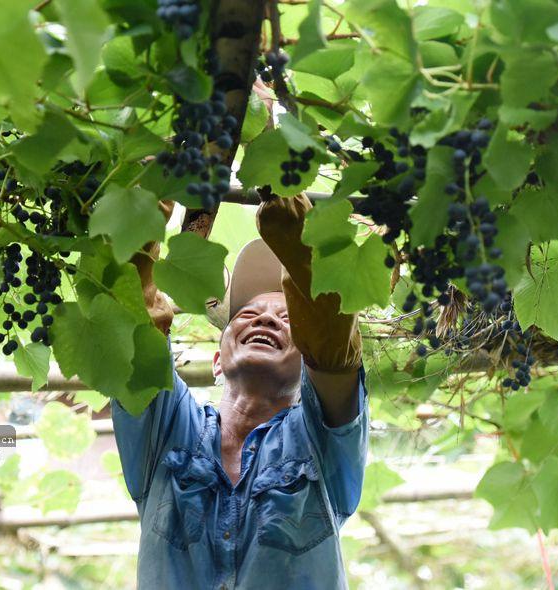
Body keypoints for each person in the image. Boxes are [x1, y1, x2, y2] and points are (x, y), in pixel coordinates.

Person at [112, 191, 368, 589]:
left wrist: (281, 189)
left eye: (287, 318)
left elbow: (331, 341)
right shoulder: (167, 431)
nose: (265, 317)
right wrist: (149, 192)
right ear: (217, 361)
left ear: (307, 368)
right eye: (249, 313)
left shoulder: (322, 443)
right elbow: (130, 322)